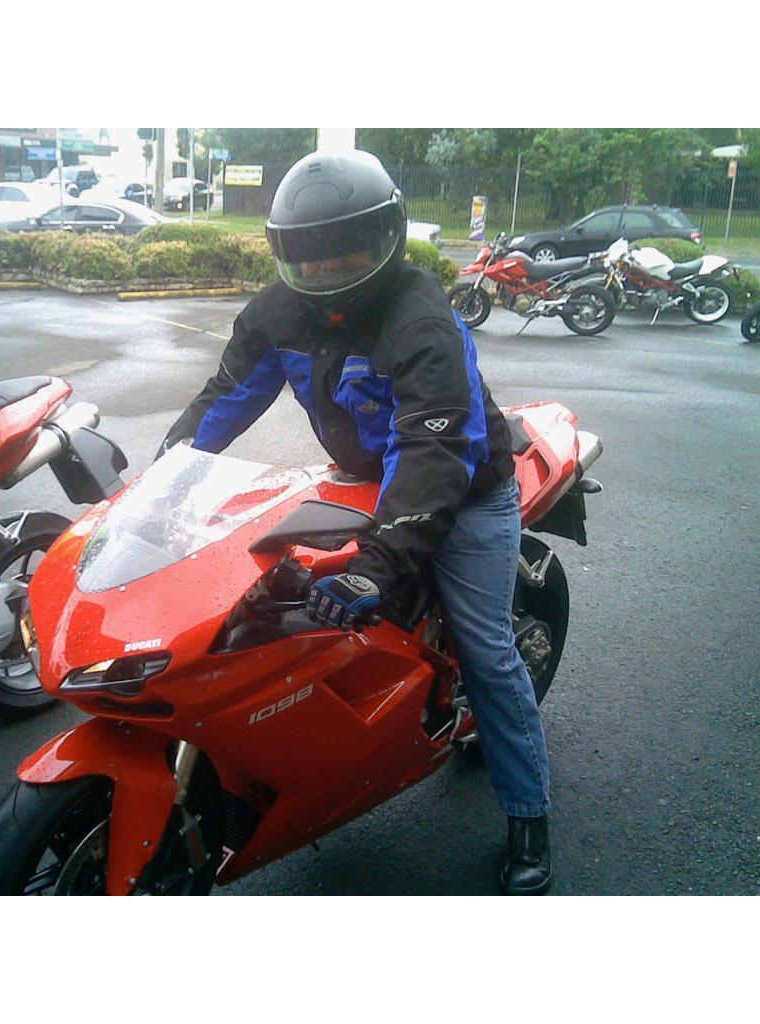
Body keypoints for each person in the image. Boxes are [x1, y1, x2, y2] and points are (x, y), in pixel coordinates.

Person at [160, 151, 552, 895]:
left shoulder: (420, 315)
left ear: (389, 238)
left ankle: (529, 814)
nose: (329, 263)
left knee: (489, 652)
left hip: (466, 486)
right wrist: (160, 483)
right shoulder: (276, 311)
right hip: (365, 479)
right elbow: (223, 399)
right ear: (284, 251)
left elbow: (436, 452)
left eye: (350, 244)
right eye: (308, 250)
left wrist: (376, 563)